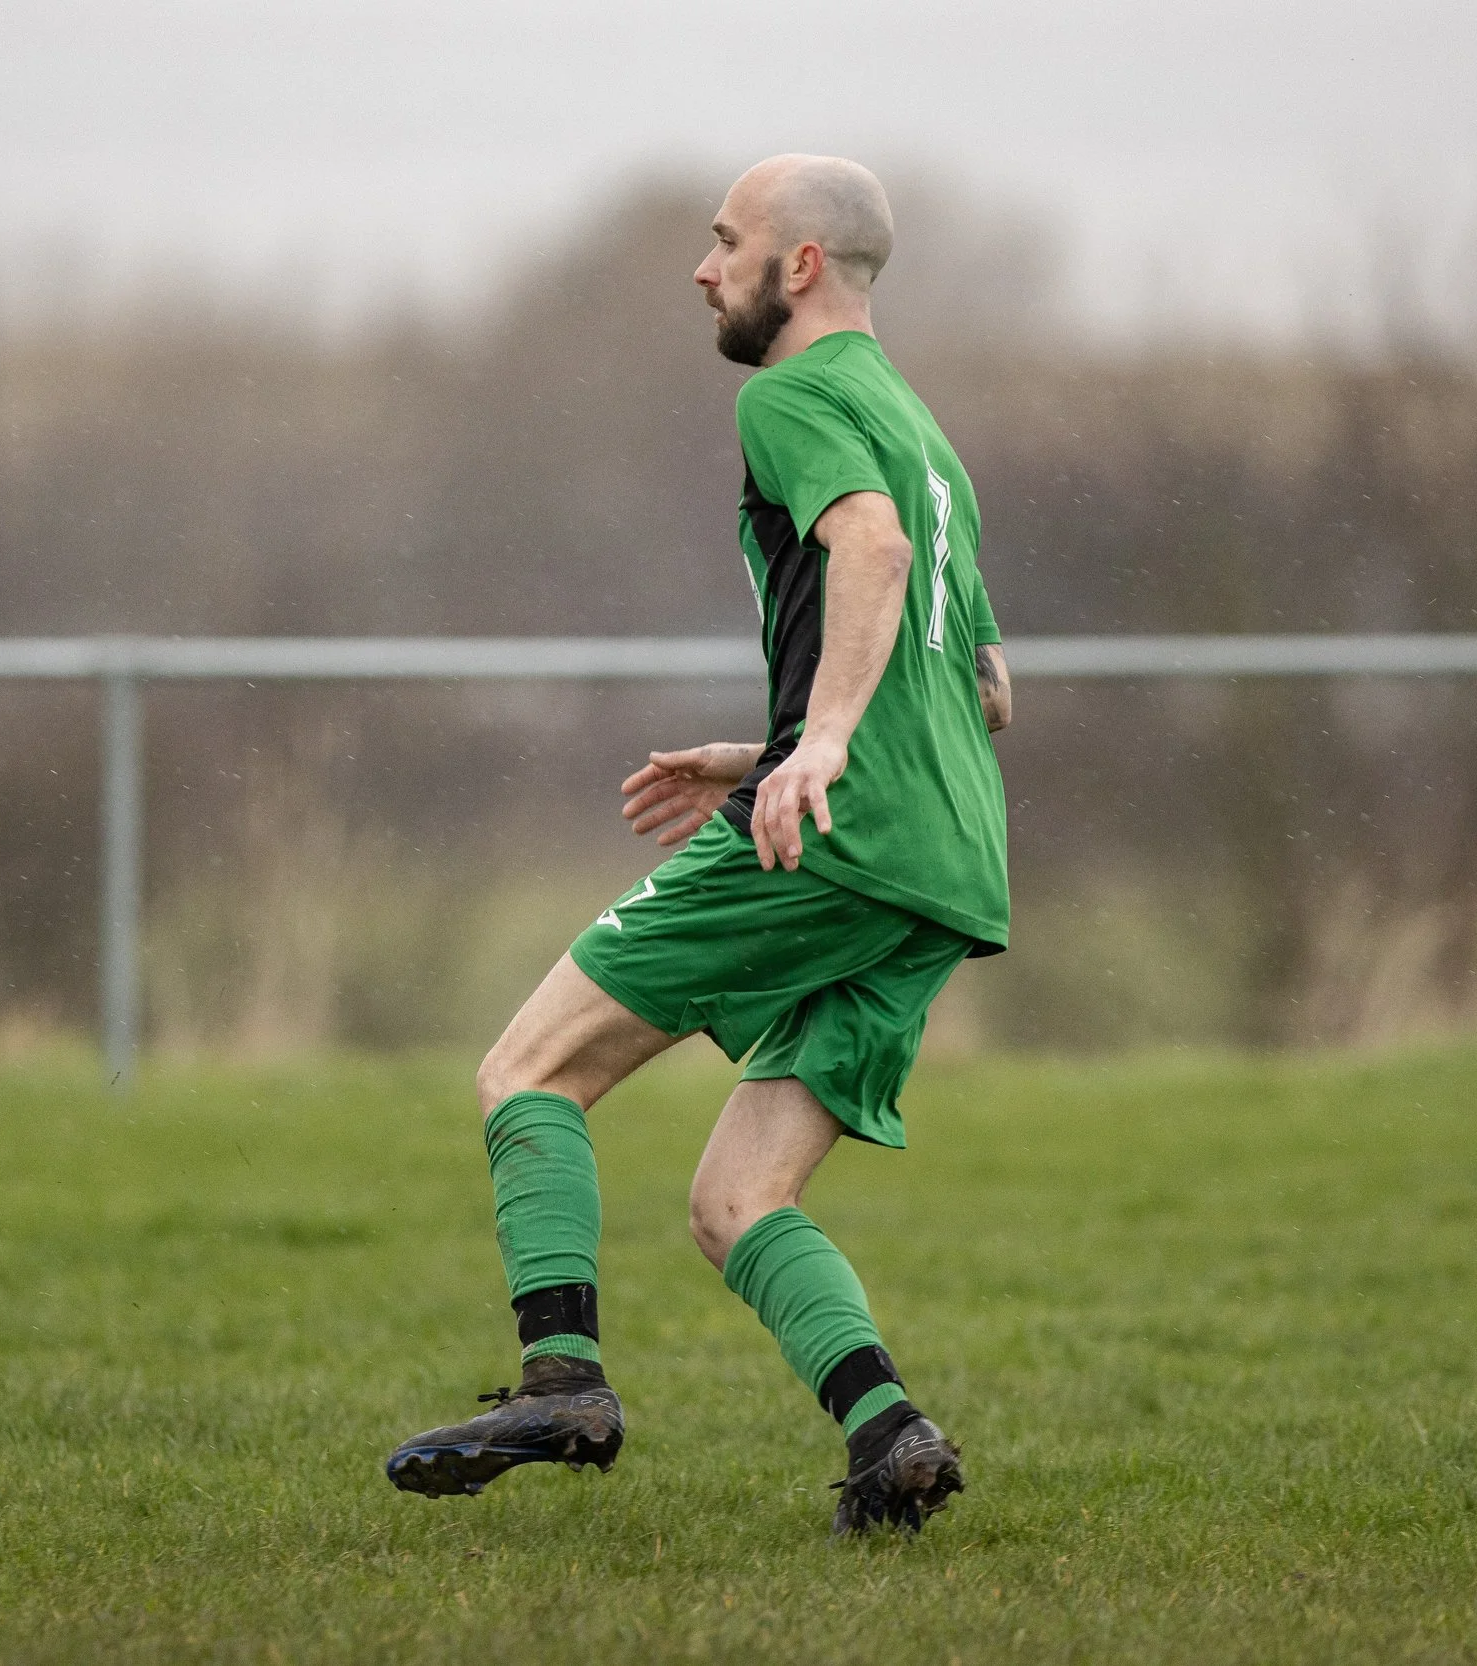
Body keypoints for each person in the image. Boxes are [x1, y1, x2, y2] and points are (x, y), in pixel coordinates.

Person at [384, 154, 1013, 1536]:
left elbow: (870, 555)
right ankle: (891, 1438)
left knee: (525, 1069)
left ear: (797, 267)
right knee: (738, 1199)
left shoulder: (789, 395)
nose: (701, 266)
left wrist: (825, 747)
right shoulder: (916, 424)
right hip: (949, 865)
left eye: (724, 242)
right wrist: (777, 740)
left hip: (846, 836)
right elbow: (981, 683)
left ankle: (564, 1383)